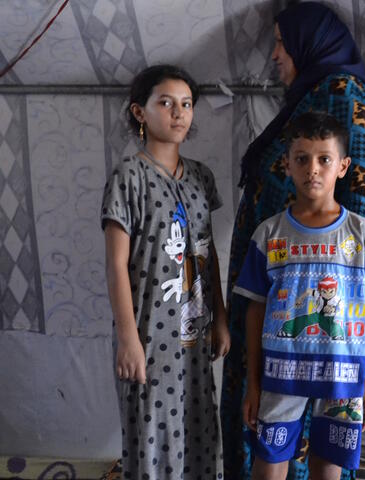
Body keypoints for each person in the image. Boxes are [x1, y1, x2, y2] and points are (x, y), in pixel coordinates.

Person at [222, 2, 365, 478]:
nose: (274, 55)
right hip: (276, 300)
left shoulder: (342, 94)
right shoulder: (310, 97)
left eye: (280, 43)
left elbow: (362, 197)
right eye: (300, 159)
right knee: (270, 437)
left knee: (323, 454)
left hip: (326, 333)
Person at [234, 112, 365, 479]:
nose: (313, 169)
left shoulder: (360, 233)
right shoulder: (270, 233)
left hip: (342, 375)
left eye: (324, 159)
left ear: (342, 166)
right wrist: (254, 383)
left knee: (329, 467)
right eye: (302, 158)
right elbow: (255, 310)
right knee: (269, 461)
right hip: (281, 373)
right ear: (287, 165)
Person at [101, 64, 231, 480]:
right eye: (166, 103)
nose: (179, 113)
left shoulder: (200, 178)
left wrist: (221, 318)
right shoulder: (129, 177)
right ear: (140, 112)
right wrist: (127, 339)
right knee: (153, 443)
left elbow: (206, 257)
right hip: (150, 338)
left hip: (194, 338)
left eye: (187, 104)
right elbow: (116, 263)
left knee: (198, 435)